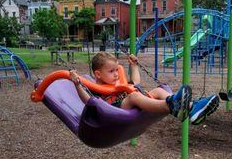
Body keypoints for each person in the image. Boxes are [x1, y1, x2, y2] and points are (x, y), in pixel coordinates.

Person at [70, 51, 219, 125]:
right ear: (98, 74)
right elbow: (88, 100)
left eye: (117, 70)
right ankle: (174, 106)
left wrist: (134, 65)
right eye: (111, 71)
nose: (116, 74)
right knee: (134, 96)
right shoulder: (95, 87)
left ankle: (193, 109)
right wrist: (77, 84)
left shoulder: (118, 82)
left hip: (130, 102)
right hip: (113, 111)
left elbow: (135, 82)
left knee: (159, 91)